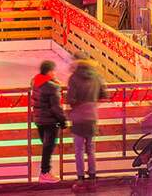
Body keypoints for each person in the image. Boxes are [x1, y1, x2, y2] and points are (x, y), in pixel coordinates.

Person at [64, 54, 108, 183]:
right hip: (92, 116)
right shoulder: (97, 76)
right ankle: (92, 174)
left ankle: (80, 176)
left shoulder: (73, 78)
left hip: (78, 118)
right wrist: (92, 104)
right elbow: (104, 95)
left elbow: (71, 100)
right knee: (91, 148)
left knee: (79, 150)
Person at [31, 60, 67, 183]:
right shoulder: (52, 87)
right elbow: (56, 107)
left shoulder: (35, 82)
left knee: (46, 147)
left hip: (39, 119)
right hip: (50, 121)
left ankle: (45, 172)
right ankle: (45, 173)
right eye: (54, 70)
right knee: (48, 147)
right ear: (50, 71)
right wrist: (63, 121)